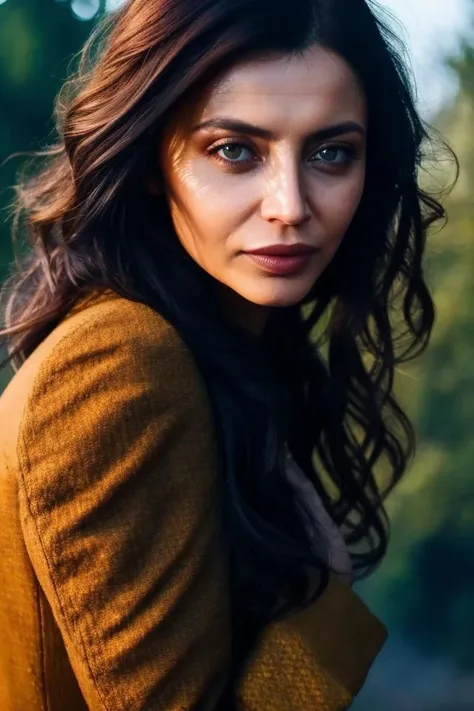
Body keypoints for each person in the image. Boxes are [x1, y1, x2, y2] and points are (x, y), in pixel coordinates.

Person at [0, 0, 454, 708]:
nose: (290, 204)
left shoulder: (218, 353)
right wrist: (322, 602)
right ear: (154, 158)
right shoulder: (118, 362)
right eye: (235, 150)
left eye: (332, 152)